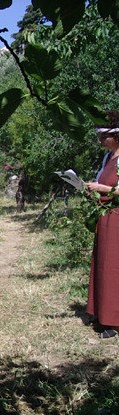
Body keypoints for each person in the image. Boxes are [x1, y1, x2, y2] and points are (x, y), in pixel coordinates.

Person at [84, 111, 119, 338]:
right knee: (104, 265)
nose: (99, 140)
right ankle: (103, 313)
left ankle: (114, 321)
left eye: (103, 136)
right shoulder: (108, 158)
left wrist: (102, 189)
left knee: (115, 266)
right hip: (105, 218)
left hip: (117, 217)